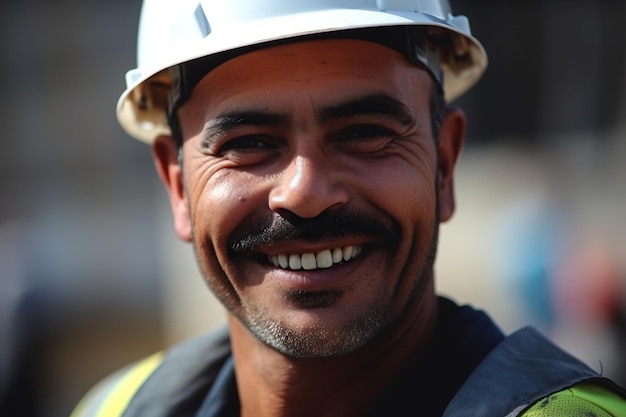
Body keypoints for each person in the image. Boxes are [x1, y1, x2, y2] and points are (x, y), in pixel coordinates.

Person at [72, 1, 626, 416]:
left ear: (444, 164)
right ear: (177, 185)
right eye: (247, 143)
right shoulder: (118, 408)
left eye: (365, 133)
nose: (306, 192)